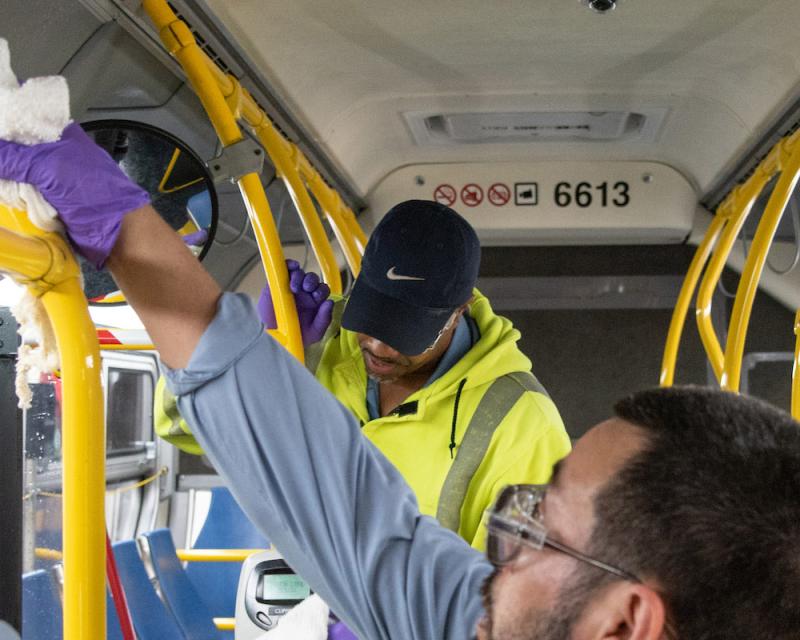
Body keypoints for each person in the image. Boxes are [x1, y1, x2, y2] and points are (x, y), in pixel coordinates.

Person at [4, 125, 800, 640]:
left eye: (537, 525)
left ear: (624, 624)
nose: (501, 544)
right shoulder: (474, 618)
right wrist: (125, 227)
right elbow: (342, 500)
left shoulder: (512, 416)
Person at [156, 198, 571, 549]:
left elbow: (525, 598)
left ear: (458, 312)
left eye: (404, 332)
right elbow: (181, 427)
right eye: (372, 320)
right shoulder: (318, 343)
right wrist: (260, 350)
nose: (377, 345)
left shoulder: (524, 425)